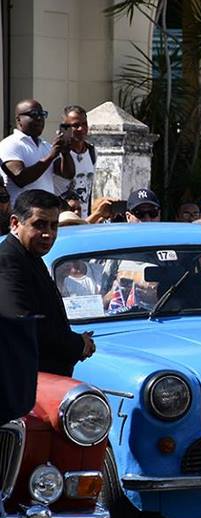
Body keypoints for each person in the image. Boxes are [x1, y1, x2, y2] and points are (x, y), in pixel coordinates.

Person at [0, 189, 95, 376]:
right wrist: (77, 344)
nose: (48, 234)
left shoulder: (30, 256)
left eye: (53, 226)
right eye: (40, 225)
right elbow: (23, 326)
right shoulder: (8, 261)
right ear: (15, 223)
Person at [0, 99, 73, 203]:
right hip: (23, 213)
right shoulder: (10, 144)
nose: (39, 118)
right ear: (19, 119)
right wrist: (51, 156)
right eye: (33, 114)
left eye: (42, 114)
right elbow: (20, 179)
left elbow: (68, 175)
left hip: (47, 211)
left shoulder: (45, 146)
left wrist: (65, 153)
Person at [52, 105, 96, 218]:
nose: (81, 129)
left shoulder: (91, 151)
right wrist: (63, 149)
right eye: (75, 125)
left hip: (83, 218)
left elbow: (89, 189)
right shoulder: (57, 153)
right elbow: (67, 173)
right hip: (63, 218)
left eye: (84, 124)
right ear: (65, 127)